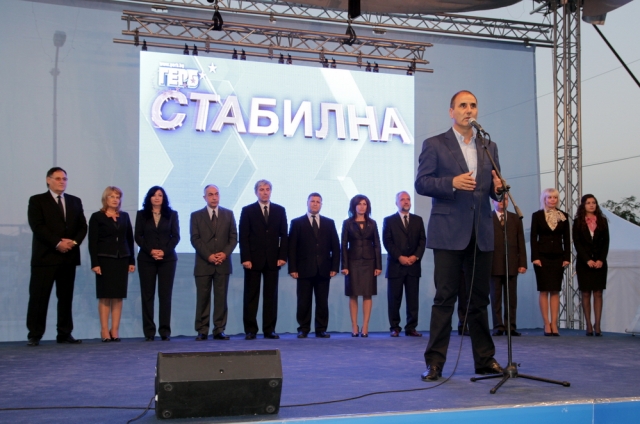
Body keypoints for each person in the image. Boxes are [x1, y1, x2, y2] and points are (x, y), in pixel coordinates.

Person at [415, 90, 504, 381]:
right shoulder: (435, 144)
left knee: (479, 301)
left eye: (473, 105)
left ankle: (485, 360)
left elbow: (493, 188)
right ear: (451, 111)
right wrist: (451, 182)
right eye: (463, 105)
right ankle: (435, 363)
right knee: (445, 299)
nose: (469, 110)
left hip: (481, 231)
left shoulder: (488, 145)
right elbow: (422, 183)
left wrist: (498, 190)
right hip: (448, 232)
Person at [26, 167, 87, 346]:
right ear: (48, 180)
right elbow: (37, 226)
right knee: (39, 298)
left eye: (64, 179)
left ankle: (64, 333)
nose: (62, 182)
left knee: (66, 298)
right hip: (45, 258)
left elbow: (82, 227)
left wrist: (73, 243)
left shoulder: (75, 201)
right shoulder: (37, 200)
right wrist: (57, 243)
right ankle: (35, 334)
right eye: (58, 178)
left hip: (68, 257)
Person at [239, 180, 288, 339]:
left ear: (271, 191)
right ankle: (250, 330)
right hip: (252, 260)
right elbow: (243, 236)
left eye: (267, 189)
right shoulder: (247, 210)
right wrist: (246, 258)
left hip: (273, 260)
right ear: (256, 192)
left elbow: (284, 235)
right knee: (251, 296)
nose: (265, 192)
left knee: (271, 297)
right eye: (261, 189)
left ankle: (269, 329)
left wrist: (282, 256)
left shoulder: (280, 210)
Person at [288, 193, 340, 338]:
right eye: (313, 201)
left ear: (321, 204)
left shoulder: (329, 223)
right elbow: (291, 248)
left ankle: (321, 329)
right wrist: (293, 268)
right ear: (307, 203)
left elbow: (336, 247)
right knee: (303, 301)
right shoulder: (297, 222)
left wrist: (334, 267)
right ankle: (303, 329)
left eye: (318, 201)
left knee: (322, 301)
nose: (315, 204)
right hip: (303, 269)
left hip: (324, 269)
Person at [190, 184, 237, 341]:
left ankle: (219, 329)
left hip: (223, 264)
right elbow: (195, 239)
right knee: (202, 299)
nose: (214, 197)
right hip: (203, 264)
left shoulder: (228, 214)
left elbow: (233, 237)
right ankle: (202, 330)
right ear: (205, 197)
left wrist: (224, 254)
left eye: (216, 194)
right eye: (210, 194)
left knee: (221, 299)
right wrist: (209, 256)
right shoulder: (196, 216)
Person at [89, 186, 135, 342]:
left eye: (117, 197)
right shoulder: (97, 217)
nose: (115, 199)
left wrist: (131, 260)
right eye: (112, 196)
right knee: (105, 296)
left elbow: (129, 239)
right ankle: (104, 330)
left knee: (118, 296)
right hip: (104, 259)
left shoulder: (124, 216)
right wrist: (95, 263)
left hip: (122, 259)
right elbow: (92, 242)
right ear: (105, 199)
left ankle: (114, 330)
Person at [135, 186, 180, 341]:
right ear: (149, 198)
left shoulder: (172, 214)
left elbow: (176, 237)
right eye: (154, 195)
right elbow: (138, 236)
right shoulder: (142, 215)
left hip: (167, 260)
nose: (157, 198)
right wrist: (151, 251)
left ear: (163, 198)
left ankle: (165, 331)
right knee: (147, 295)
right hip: (146, 259)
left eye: (160, 195)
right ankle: (149, 332)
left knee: (165, 295)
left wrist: (163, 251)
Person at [382, 191, 426, 337]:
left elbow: (422, 241)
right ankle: (395, 327)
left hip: (413, 266)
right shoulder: (389, 220)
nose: (406, 201)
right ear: (396, 203)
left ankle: (411, 327)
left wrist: (415, 256)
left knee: (413, 299)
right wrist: (400, 257)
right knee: (394, 299)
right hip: (396, 266)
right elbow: (387, 241)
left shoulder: (418, 220)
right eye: (402, 199)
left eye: (408, 199)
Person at [530, 188, 570, 337]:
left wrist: (567, 257)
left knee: (555, 290)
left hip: (558, 257)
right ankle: (546, 323)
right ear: (544, 199)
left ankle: (554, 323)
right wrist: (535, 257)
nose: (552, 200)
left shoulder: (563, 216)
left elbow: (567, 238)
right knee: (544, 290)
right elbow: (533, 238)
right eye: (549, 197)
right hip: (542, 257)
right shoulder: (537, 215)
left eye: (555, 197)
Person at [341, 194, 382, 338]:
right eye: (359, 204)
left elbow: (377, 244)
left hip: (369, 262)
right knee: (353, 294)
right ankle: (354, 325)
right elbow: (343, 245)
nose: (362, 207)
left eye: (364, 204)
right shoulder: (347, 223)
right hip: (353, 262)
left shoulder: (372, 223)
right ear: (354, 206)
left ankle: (365, 325)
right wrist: (344, 265)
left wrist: (378, 265)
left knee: (367, 294)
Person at [490, 197, 527, 337]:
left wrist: (522, 263)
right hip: (493, 264)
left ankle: (510, 326)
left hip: (511, 263)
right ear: (493, 201)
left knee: (511, 298)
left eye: (505, 199)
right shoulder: (488, 217)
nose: (502, 202)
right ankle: (498, 326)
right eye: (498, 199)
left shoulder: (515, 218)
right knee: (495, 297)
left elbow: (520, 241)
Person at [573, 194, 609, 337]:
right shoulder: (578, 222)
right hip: (584, 263)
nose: (591, 205)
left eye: (593, 202)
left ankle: (597, 325)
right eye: (588, 203)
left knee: (598, 293)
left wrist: (601, 259)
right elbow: (577, 243)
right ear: (583, 205)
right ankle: (588, 324)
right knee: (586, 293)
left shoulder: (603, 221)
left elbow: (606, 242)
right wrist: (587, 260)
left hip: (600, 262)